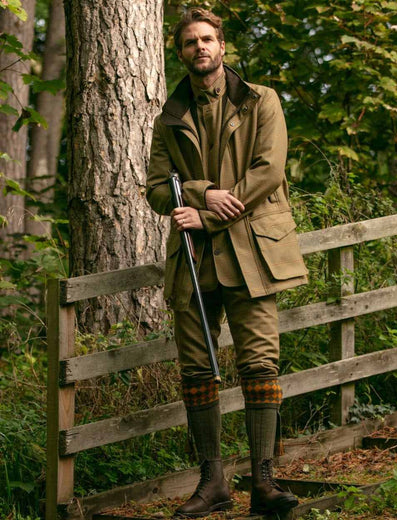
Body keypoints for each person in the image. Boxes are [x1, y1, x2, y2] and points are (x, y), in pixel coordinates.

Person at [146, 7, 308, 518]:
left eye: (208, 39)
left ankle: (263, 483)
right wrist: (203, 193)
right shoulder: (169, 118)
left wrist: (212, 211)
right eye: (190, 41)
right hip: (193, 261)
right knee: (197, 371)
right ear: (180, 52)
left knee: (259, 363)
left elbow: (269, 171)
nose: (200, 47)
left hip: (253, 252)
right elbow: (155, 188)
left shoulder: (262, 101)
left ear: (222, 46)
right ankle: (212, 483)